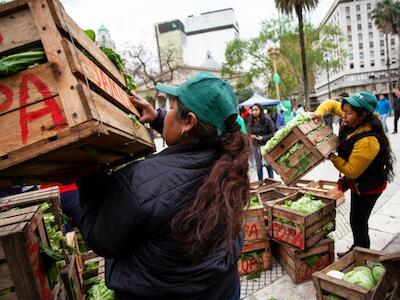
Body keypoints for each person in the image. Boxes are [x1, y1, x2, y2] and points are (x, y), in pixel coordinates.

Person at [77, 72, 250, 300]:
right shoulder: (232, 166)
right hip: (223, 290)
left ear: (188, 122)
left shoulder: (139, 182)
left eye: (171, 108)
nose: (166, 113)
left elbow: (102, 241)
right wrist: (158, 118)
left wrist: (89, 181)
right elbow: (196, 145)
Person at [312, 91, 395, 257]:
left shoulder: (368, 141)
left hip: (369, 187)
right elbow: (330, 104)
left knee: (358, 221)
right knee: (355, 219)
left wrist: (331, 156)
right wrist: (318, 113)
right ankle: (358, 249)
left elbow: (352, 170)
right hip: (358, 183)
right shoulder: (351, 117)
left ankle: (361, 255)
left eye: (348, 113)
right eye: (344, 111)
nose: (343, 115)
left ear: (362, 116)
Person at [247, 104, 275, 180]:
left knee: (268, 164)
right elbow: (249, 132)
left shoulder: (267, 120)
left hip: (265, 145)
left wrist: (263, 138)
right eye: (253, 110)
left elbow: (273, 134)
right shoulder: (250, 121)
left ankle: (272, 181)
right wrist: (251, 136)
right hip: (255, 146)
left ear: (260, 110)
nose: (254, 112)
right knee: (258, 166)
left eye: (256, 110)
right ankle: (260, 183)